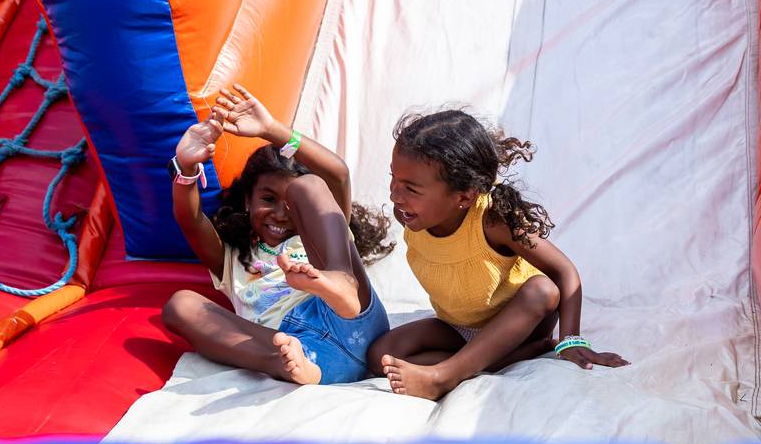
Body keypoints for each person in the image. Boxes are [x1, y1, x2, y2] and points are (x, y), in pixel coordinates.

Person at [367, 109, 629, 400]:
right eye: (394, 178)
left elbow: (564, 272)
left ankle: (444, 376)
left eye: (411, 188)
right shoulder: (409, 215)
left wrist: (570, 340)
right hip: (457, 325)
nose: (395, 195)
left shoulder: (493, 220)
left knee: (541, 290)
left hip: (517, 325)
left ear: (464, 197)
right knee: (380, 356)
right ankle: (497, 361)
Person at [162, 84, 393, 385]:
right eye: (268, 200)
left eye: (291, 206)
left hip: (350, 317)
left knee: (307, 185)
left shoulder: (324, 231)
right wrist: (187, 165)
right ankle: (283, 365)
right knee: (180, 305)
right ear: (247, 200)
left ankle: (341, 282)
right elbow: (189, 219)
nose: (281, 214)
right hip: (296, 350)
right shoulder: (233, 259)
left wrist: (271, 129)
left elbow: (338, 174)